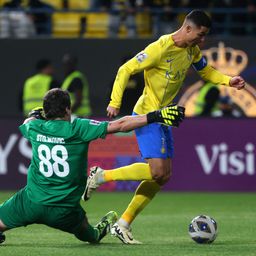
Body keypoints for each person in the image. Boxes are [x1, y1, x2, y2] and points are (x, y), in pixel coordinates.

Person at [83, 10, 245, 244]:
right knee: (157, 171)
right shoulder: (159, 48)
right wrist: (114, 102)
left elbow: (206, 71)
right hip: (148, 114)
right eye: (200, 35)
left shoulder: (192, 50)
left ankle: (123, 224)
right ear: (187, 28)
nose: (202, 40)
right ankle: (101, 176)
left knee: (163, 176)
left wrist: (228, 80)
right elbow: (125, 69)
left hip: (165, 116)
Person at [0, 88, 185, 245]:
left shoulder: (35, 127)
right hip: (64, 210)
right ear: (67, 109)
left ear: (46, 112)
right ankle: (98, 232)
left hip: (30, 203)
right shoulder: (78, 128)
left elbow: (27, 121)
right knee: (89, 234)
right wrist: (156, 115)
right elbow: (121, 125)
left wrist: (35, 115)